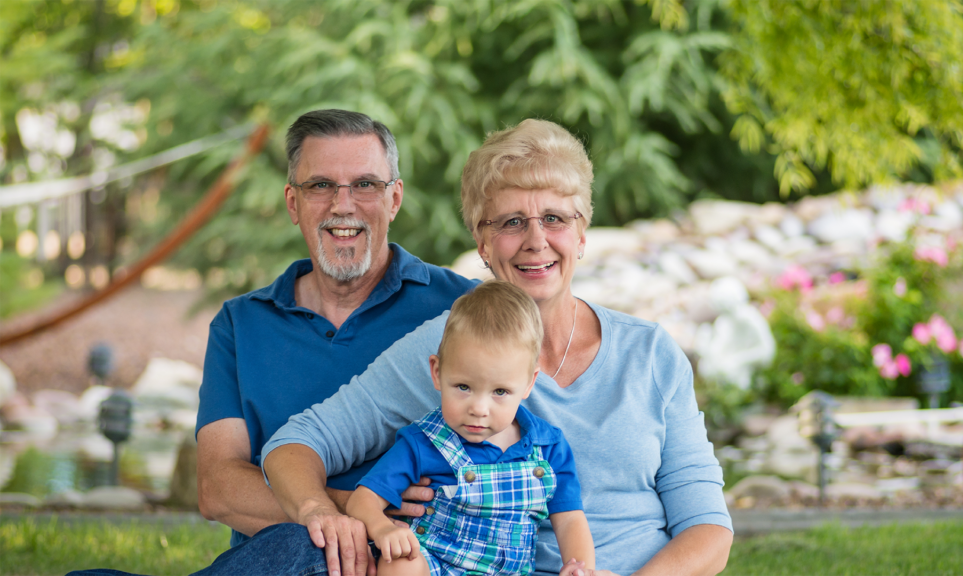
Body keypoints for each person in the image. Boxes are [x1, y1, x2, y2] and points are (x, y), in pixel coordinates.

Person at [262, 118, 734, 576]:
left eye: (554, 218)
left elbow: (709, 528)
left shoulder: (650, 354)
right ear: (483, 244)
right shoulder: (451, 344)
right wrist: (323, 512)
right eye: (511, 222)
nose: (535, 241)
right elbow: (295, 444)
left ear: (582, 232)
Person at [193, 109, 477, 550]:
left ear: (395, 199)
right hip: (281, 559)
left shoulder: (460, 309)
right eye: (320, 186)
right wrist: (355, 507)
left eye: (365, 185)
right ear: (293, 203)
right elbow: (219, 489)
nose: (342, 205)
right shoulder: (240, 324)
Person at [348, 280, 595, 576]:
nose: (479, 408)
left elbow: (569, 519)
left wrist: (581, 568)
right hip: (435, 565)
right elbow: (362, 500)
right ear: (437, 372)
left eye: (500, 392)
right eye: (463, 387)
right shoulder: (423, 442)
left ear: (529, 383)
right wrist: (384, 529)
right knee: (400, 561)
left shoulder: (548, 447)